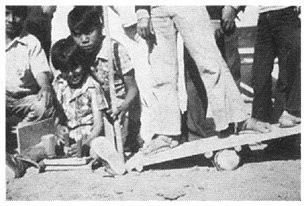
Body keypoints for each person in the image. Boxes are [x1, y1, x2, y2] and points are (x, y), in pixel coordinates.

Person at [135, 6, 248, 150]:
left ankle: (236, 120)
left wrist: (214, 14)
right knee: (162, 76)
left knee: (211, 64)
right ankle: (167, 133)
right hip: (157, 10)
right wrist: (141, 12)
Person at [67, 6, 140, 152]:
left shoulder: (115, 50)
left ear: (100, 28)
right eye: (78, 35)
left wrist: (121, 108)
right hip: (98, 112)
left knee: (122, 146)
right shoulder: (79, 53)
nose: (84, 40)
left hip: (122, 110)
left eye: (89, 32)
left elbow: (133, 89)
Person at [51, 36, 126, 175]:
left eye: (75, 67)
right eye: (65, 70)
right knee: (47, 145)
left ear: (82, 63)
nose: (72, 74)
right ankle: (20, 162)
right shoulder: (60, 86)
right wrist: (59, 128)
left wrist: (85, 143)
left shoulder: (91, 86)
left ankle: (111, 162)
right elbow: (59, 117)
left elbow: (98, 125)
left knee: (97, 147)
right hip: (70, 139)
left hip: (88, 138)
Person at [6, 6, 57, 178]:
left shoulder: (31, 42)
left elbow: (41, 72)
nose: (11, 20)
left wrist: (45, 86)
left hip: (23, 100)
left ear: (25, 17)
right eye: (5, 13)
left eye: (17, 15)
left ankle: (20, 151)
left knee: (44, 103)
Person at [184, 6, 246, 140]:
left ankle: (234, 131)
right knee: (195, 81)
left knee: (230, 75)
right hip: (192, 23)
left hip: (225, 22)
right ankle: (195, 136)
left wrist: (233, 7)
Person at [247, 6, 301, 132]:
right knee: (259, 73)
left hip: (286, 11)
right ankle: (261, 119)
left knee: (287, 71)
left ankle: (285, 120)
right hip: (264, 15)